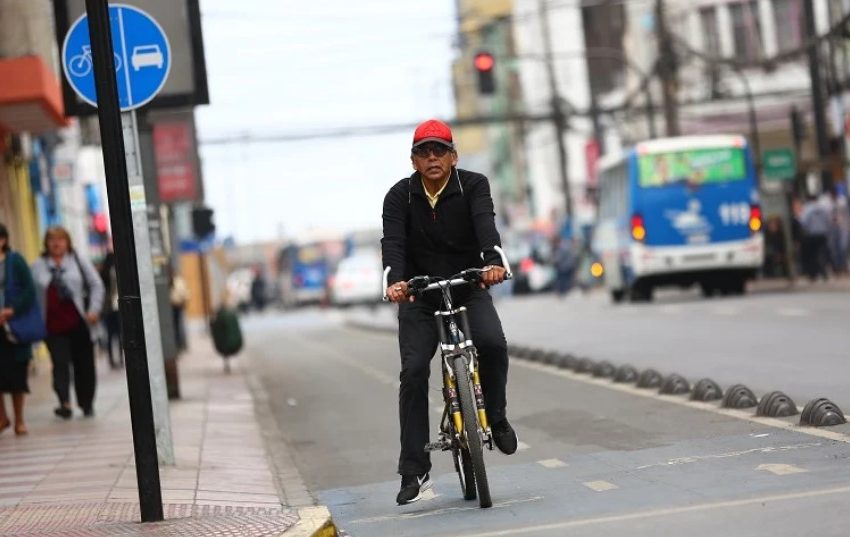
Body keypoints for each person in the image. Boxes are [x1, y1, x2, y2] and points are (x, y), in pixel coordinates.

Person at [382, 119, 516, 505]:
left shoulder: (474, 185)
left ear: (453, 156)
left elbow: (485, 224)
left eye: (440, 150)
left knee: (493, 344)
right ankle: (414, 470)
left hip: (468, 285)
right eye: (424, 152)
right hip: (419, 295)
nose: (432, 157)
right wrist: (395, 281)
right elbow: (393, 244)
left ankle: (496, 415)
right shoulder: (398, 197)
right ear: (414, 162)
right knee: (413, 371)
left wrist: (492, 262)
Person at [31, 227, 104, 419]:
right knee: (60, 364)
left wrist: (94, 310)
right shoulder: (38, 265)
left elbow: (96, 284)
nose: (56, 243)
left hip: (79, 322)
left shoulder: (77, 260)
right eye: (52, 240)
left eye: (61, 239)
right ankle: (64, 402)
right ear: (46, 243)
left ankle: (86, 403)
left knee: (84, 365)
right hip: (52, 326)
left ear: (67, 242)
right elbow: (31, 294)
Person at [0, 223, 36, 435]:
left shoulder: (16, 261)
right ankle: (3, 418)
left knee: (16, 375)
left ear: (3, 239)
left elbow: (29, 290)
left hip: (14, 327)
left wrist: (11, 311)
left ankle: (19, 420)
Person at [98, 251, 122, 369]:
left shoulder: (103, 272)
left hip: (109, 307)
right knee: (118, 334)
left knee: (111, 335)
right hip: (114, 306)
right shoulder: (113, 271)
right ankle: (119, 359)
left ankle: (113, 359)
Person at [800, 195, 831, 281]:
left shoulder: (807, 208)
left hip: (812, 235)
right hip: (822, 234)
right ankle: (824, 273)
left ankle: (813, 274)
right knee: (822, 255)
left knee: (813, 255)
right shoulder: (823, 208)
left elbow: (804, 222)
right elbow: (828, 221)